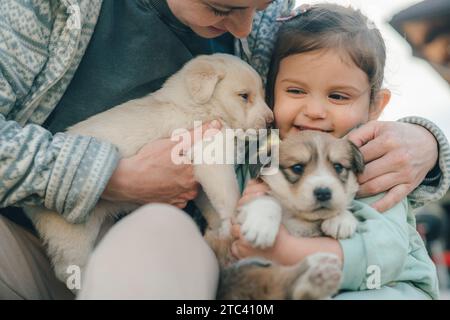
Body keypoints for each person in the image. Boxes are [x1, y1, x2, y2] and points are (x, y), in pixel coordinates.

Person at [0, 0, 448, 299]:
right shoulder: (46, 9)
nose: (248, 27)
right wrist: (111, 177)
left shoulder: (272, 33)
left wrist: (427, 140)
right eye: (223, 7)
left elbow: (343, 80)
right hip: (35, 231)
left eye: (265, 5)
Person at [231, 3, 445, 299]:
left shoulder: (377, 161)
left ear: (375, 106)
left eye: (337, 96)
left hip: (389, 289)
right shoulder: (263, 153)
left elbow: (388, 250)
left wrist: (288, 252)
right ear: (271, 93)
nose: (315, 111)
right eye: (295, 91)